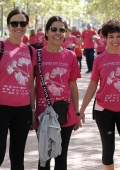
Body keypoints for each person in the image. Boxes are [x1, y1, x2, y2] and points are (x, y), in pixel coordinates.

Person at [80, 19, 120, 170]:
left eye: (118, 36)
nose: (115, 40)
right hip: (103, 111)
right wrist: (81, 110)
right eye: (111, 36)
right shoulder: (99, 59)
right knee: (108, 151)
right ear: (105, 38)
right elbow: (93, 85)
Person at [34, 15, 82, 170]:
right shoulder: (37, 55)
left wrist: (77, 113)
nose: (58, 32)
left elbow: (73, 86)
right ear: (47, 32)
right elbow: (29, 85)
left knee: (61, 157)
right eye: (53, 29)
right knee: (44, 158)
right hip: (43, 115)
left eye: (62, 30)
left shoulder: (70, 56)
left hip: (65, 114)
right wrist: (32, 111)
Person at [0, 8, 36, 169]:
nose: (18, 26)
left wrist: (33, 110)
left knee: (18, 157)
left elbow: (30, 83)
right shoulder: (1, 46)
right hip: (1, 108)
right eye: (14, 23)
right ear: (8, 26)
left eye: (22, 23)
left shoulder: (30, 51)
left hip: (23, 110)